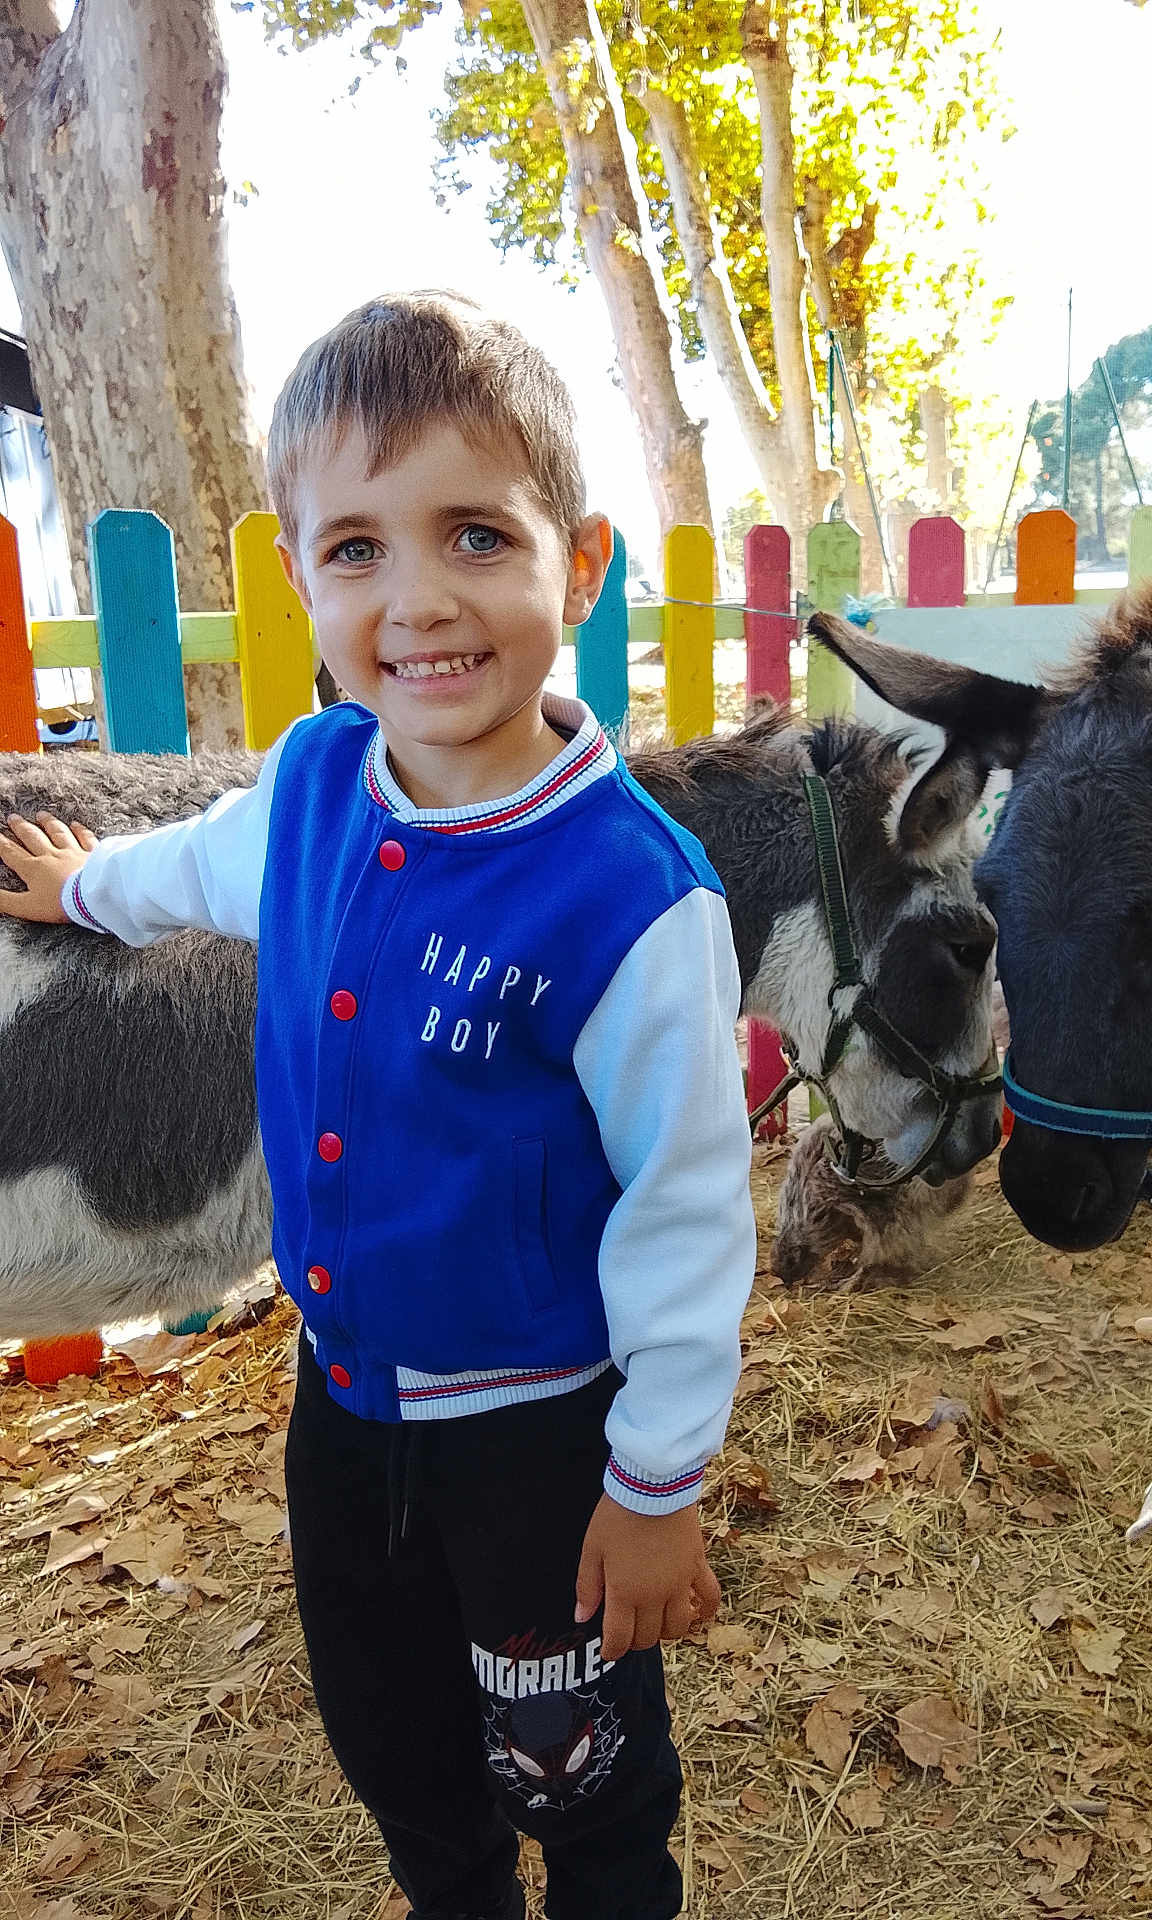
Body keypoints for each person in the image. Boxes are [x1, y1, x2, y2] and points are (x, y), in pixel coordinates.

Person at [0, 292, 757, 1920]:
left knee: (577, 1763)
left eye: (475, 534)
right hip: (344, 1410)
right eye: (356, 550)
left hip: (541, 1441)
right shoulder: (314, 785)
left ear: (586, 557)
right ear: (298, 579)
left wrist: (655, 1489)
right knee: (394, 1730)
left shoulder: (633, 903)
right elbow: (195, 865)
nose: (419, 603)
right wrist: (83, 893)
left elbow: (688, 1212)